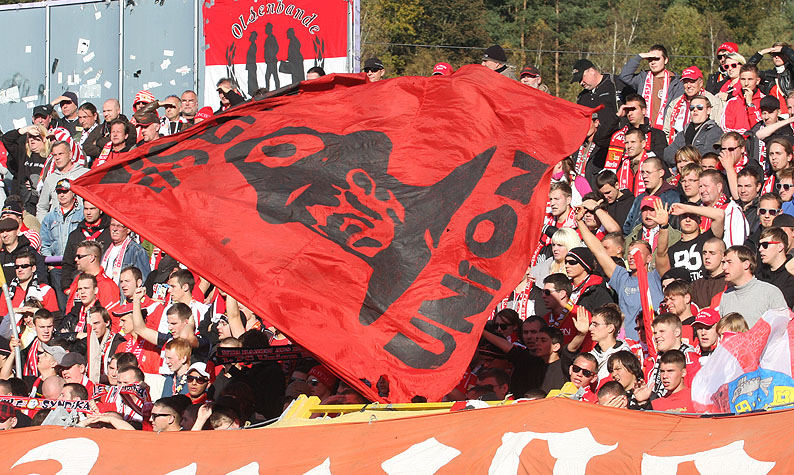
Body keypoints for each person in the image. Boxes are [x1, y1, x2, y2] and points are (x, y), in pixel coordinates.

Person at [578, 208, 663, 341]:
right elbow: (598, 250)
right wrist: (579, 222)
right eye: (629, 253)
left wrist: (664, 227)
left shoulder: (656, 277)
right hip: (629, 344)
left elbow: (662, 252)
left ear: (649, 258)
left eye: (637, 253)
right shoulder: (622, 277)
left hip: (655, 342)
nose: (632, 257)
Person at [618, 45, 683, 130]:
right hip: (643, 129)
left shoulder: (676, 82)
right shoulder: (642, 78)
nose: (653, 62)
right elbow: (624, 76)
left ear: (666, 60)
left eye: (657, 59)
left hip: (665, 129)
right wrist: (639, 57)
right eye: (650, 59)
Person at [719, 245, 787, 326]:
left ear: (746, 264)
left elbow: (784, 326)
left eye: (729, 262)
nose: (724, 267)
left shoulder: (770, 293)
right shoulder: (726, 296)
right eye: (724, 263)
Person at [656, 201, 724, 281]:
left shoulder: (708, 239)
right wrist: (664, 226)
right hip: (683, 288)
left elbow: (720, 215)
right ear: (679, 220)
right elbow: (661, 255)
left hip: (707, 287)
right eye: (684, 216)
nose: (688, 220)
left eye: (692, 216)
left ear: (699, 220)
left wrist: (685, 208)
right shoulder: (672, 250)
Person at [566, 304, 630, 381]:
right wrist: (581, 334)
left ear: (610, 328)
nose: (590, 328)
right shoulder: (592, 354)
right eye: (591, 324)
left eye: (595, 325)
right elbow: (567, 359)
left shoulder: (624, 358)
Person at [644, 313, 700, 398]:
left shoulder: (692, 360)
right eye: (655, 333)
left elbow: (694, 393)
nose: (657, 336)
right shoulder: (652, 362)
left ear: (677, 332)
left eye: (662, 331)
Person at [663, 66, 725, 145]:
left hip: (702, 146)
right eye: (685, 82)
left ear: (701, 83)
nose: (689, 85)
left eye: (692, 81)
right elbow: (666, 132)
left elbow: (717, 130)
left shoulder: (714, 102)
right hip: (677, 146)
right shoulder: (674, 104)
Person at [623, 157, 680, 234]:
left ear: (661, 173)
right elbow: (628, 226)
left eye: (648, 172)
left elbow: (675, 227)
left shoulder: (673, 197)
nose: (644, 176)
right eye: (642, 172)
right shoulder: (640, 198)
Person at [61, 201, 111, 289]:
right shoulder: (75, 235)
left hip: (104, 283)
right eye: (86, 209)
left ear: (100, 210)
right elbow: (67, 264)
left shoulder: (110, 233)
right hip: (79, 285)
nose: (88, 212)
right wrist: (66, 288)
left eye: (92, 209)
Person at [663, 95, 724, 165]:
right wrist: (684, 161)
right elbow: (667, 153)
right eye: (692, 108)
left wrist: (684, 160)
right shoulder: (684, 132)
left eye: (700, 107)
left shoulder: (714, 131)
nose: (695, 110)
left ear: (708, 110)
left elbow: (708, 156)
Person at [572, 59, 619, 148]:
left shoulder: (614, 83)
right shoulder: (582, 97)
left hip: (616, 142)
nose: (581, 83)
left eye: (582, 78)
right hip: (593, 147)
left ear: (592, 71)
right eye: (579, 80)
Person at [64, 240, 119, 314]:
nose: (75, 259)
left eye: (79, 256)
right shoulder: (78, 279)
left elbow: (111, 315)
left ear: (91, 257)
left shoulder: (106, 285)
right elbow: (69, 307)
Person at [698, 168, 748, 246]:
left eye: (706, 186)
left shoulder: (732, 210)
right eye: (700, 186)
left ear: (719, 187)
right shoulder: (698, 210)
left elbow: (734, 246)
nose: (702, 190)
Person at [100, 219, 150, 287]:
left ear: (128, 229)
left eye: (119, 226)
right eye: (112, 225)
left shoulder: (137, 251)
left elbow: (144, 280)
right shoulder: (105, 248)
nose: (114, 229)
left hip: (123, 292)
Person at [565, 247, 615, 312]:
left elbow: (608, 315)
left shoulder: (598, 290)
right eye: (566, 262)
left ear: (585, 265)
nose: (567, 265)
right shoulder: (564, 287)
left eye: (572, 262)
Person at [748, 42, 794, 113]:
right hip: (772, 115)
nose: (776, 57)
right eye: (774, 54)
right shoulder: (768, 75)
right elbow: (747, 71)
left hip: (790, 114)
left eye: (780, 54)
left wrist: (785, 49)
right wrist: (761, 53)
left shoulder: (791, 72)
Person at [0, 217, 47, 285]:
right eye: (1, 232)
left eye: (8, 231)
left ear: (17, 231)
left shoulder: (30, 253)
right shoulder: (1, 255)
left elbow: (42, 278)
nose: (4, 235)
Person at [756, 227, 794, 307]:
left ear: (780, 247)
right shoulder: (760, 275)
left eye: (765, 245)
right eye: (759, 245)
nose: (760, 249)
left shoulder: (791, 275)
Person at [721, 64, 764, 134]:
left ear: (757, 81)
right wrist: (744, 134)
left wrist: (750, 105)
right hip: (736, 140)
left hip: (756, 140)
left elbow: (761, 128)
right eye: (743, 79)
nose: (746, 83)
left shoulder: (764, 101)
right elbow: (725, 128)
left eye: (750, 79)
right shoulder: (731, 102)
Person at [659, 280, 696, 345]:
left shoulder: (697, 326)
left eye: (672, 299)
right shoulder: (667, 328)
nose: (668, 303)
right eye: (666, 300)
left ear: (687, 298)